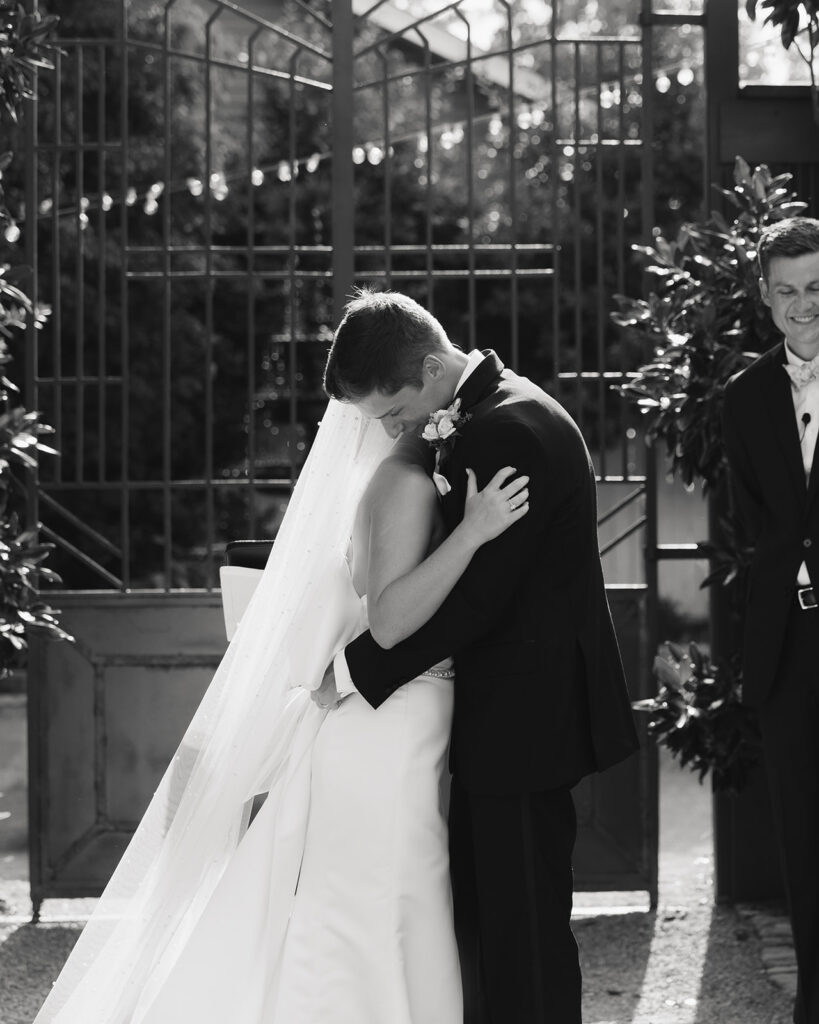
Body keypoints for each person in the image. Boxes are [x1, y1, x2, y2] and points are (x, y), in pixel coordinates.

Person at [32, 368, 527, 1022]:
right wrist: (472, 531)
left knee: (383, 905)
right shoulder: (403, 486)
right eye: (398, 411)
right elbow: (389, 618)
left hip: (391, 726)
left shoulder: (393, 483)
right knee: (371, 911)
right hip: (385, 731)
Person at [317, 289, 640, 1024]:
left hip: (523, 723)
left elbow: (480, 601)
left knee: (521, 932)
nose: (393, 431)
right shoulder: (500, 408)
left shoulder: (509, 432)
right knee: (495, 924)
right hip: (510, 716)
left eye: (393, 412)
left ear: (432, 367)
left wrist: (355, 668)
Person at [723, 216, 819, 1024]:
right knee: (801, 829)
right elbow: (752, 528)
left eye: (815, 288)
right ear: (763, 296)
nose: (801, 305)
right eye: (785, 290)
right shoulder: (744, 396)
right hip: (789, 641)